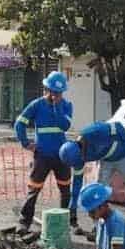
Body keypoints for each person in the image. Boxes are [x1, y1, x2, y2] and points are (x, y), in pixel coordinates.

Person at [59, 121, 125, 239]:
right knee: (98, 192)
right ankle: (98, 227)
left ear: (79, 149)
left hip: (124, 155)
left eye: (81, 158)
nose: (81, 161)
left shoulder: (94, 132)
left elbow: (118, 127)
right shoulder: (76, 158)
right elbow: (77, 184)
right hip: (106, 160)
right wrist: (72, 207)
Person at [15, 71, 73, 233]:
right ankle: (24, 222)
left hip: (62, 156)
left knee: (65, 191)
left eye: (58, 92)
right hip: (42, 156)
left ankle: (64, 222)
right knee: (34, 189)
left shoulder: (67, 106)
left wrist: (57, 107)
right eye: (53, 91)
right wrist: (26, 143)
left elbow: (65, 126)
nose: (55, 95)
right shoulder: (36, 105)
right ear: (46, 88)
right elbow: (19, 123)